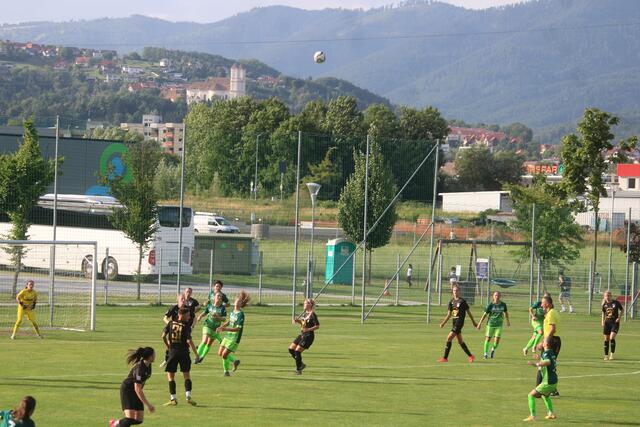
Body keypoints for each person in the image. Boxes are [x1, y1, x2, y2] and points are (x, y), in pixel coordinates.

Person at [162, 307, 200, 406]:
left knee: (171, 376)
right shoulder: (185, 326)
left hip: (173, 352)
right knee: (186, 374)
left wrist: (168, 346)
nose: (189, 318)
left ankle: (173, 398)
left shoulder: (170, 323)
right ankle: (188, 396)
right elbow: (189, 341)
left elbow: (163, 336)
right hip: (184, 352)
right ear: (181, 315)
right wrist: (196, 354)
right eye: (187, 315)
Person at [109, 347, 155, 427]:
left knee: (139, 420)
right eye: (154, 354)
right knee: (129, 419)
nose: (155, 355)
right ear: (150, 356)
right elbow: (137, 388)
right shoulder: (140, 368)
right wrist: (148, 405)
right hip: (128, 390)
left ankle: (116, 423)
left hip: (135, 391)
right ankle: (114, 424)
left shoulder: (148, 365)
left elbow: (140, 385)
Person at [438, 285, 477, 363]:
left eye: (457, 290)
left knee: (449, 338)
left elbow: (469, 313)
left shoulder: (462, 302)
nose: (455, 292)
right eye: (454, 290)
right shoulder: (451, 302)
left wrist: (474, 322)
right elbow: (449, 314)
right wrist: (443, 323)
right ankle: (470, 356)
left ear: (459, 291)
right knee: (460, 341)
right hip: (454, 322)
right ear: (452, 291)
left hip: (459, 322)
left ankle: (445, 358)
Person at [217, 290, 251, 376]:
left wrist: (225, 329)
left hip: (234, 338)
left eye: (239, 301)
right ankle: (235, 361)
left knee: (224, 354)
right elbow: (229, 321)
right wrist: (222, 327)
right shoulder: (232, 312)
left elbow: (237, 329)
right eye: (236, 300)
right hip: (228, 335)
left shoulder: (241, 314)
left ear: (241, 304)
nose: (237, 302)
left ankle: (226, 372)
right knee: (220, 353)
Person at [523, 338, 558, 421]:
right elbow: (547, 362)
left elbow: (548, 362)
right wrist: (539, 359)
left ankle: (533, 415)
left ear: (546, 344)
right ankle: (551, 413)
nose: (542, 342)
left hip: (548, 381)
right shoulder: (551, 352)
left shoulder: (546, 353)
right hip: (554, 381)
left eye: (543, 341)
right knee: (545, 396)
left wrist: (536, 364)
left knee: (530, 395)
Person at [289, 298, 320, 375]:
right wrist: (298, 321)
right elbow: (304, 323)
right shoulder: (305, 313)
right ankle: (301, 364)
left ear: (310, 305)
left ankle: (299, 370)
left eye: (306, 303)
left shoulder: (313, 314)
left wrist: (308, 329)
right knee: (291, 349)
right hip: (302, 334)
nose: (304, 304)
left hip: (308, 336)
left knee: (297, 351)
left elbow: (317, 326)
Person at [537, 295, 561, 396]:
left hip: (552, 341)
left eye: (542, 302)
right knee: (549, 366)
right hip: (554, 340)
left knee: (544, 365)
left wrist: (545, 341)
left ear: (547, 304)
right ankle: (552, 389)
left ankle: (538, 389)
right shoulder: (552, 313)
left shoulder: (551, 313)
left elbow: (552, 329)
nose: (541, 304)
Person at [194, 291, 227, 364]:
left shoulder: (222, 308)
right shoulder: (210, 305)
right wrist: (200, 316)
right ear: (214, 297)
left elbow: (224, 319)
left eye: (220, 297)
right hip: (207, 325)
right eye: (218, 296)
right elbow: (205, 312)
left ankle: (202, 357)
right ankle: (197, 357)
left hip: (215, 328)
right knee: (205, 340)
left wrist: (218, 317)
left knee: (209, 343)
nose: (219, 297)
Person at [476, 291, 510, 359]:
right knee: (488, 339)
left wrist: (507, 321)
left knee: (497, 341)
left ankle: (493, 349)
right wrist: (479, 323)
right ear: (493, 296)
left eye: (498, 295)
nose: (497, 297)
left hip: (499, 325)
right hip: (490, 324)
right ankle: (485, 354)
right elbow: (484, 315)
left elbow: (506, 313)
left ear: (500, 296)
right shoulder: (490, 305)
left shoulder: (503, 304)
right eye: (495, 295)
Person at [522, 292, 550, 357]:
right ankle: (534, 347)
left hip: (542, 322)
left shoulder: (549, 306)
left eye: (548, 298)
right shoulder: (539, 303)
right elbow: (530, 309)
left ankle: (525, 348)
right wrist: (533, 316)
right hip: (536, 321)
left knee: (534, 337)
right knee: (541, 332)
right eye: (545, 297)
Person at [602, 290, 623, 361]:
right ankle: (606, 355)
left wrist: (619, 318)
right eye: (606, 296)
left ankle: (612, 354)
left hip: (615, 323)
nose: (607, 297)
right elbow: (603, 313)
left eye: (608, 295)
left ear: (611, 296)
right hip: (607, 323)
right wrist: (602, 321)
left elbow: (622, 310)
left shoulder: (616, 303)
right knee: (606, 339)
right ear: (604, 297)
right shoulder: (604, 304)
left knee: (612, 337)